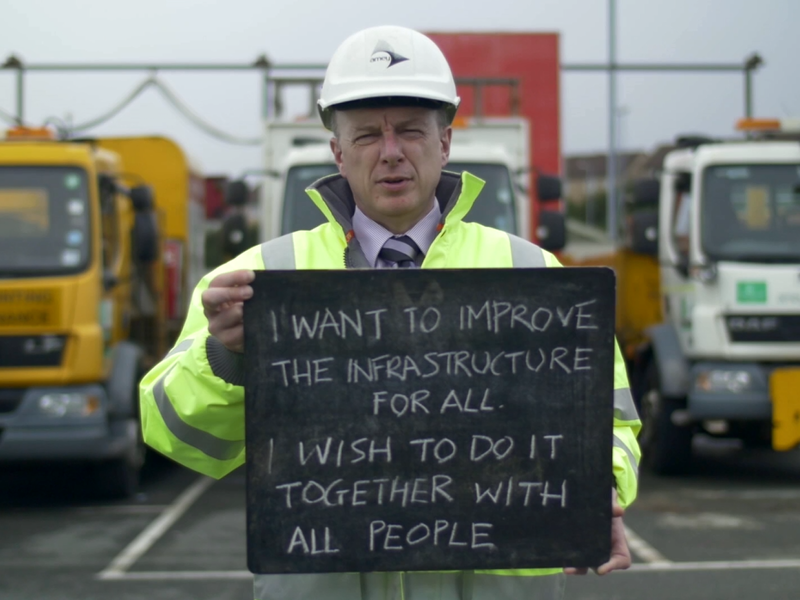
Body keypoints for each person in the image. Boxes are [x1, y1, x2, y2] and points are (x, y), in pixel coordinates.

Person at [139, 25, 642, 600]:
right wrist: (224, 358)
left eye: (409, 130)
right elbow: (177, 436)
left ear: (445, 142)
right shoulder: (258, 282)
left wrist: (599, 483)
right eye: (366, 136)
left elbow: (612, 417)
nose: (391, 151)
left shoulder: (536, 275)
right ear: (338, 151)